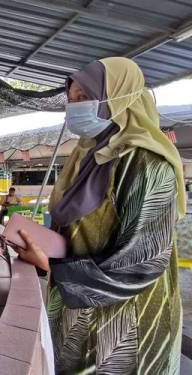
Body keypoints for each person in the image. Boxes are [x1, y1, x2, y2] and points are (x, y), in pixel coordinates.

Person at [15, 57, 184, 374]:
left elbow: (142, 263)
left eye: (85, 97)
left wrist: (52, 266)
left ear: (118, 97)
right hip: (76, 315)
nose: (75, 107)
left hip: (125, 325)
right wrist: (45, 246)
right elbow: (76, 229)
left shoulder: (146, 165)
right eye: (72, 99)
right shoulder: (86, 156)